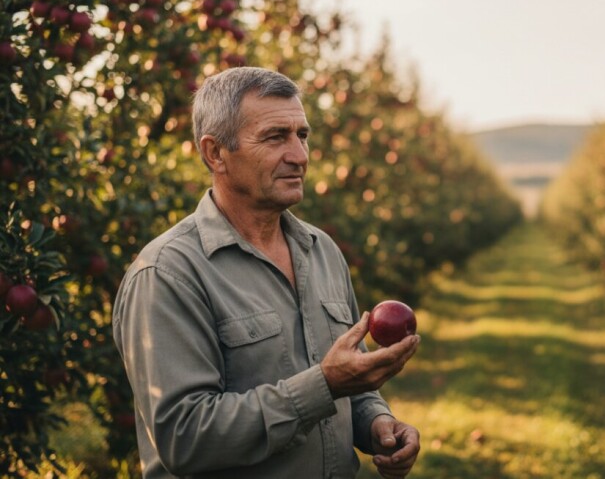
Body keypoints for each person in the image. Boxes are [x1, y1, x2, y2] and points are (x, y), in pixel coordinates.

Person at [112, 66, 421, 478]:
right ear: (215, 153)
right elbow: (184, 437)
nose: (300, 155)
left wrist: (378, 423)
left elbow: (351, 381)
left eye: (302, 135)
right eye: (276, 137)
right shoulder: (168, 273)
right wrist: (323, 386)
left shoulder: (321, 251)